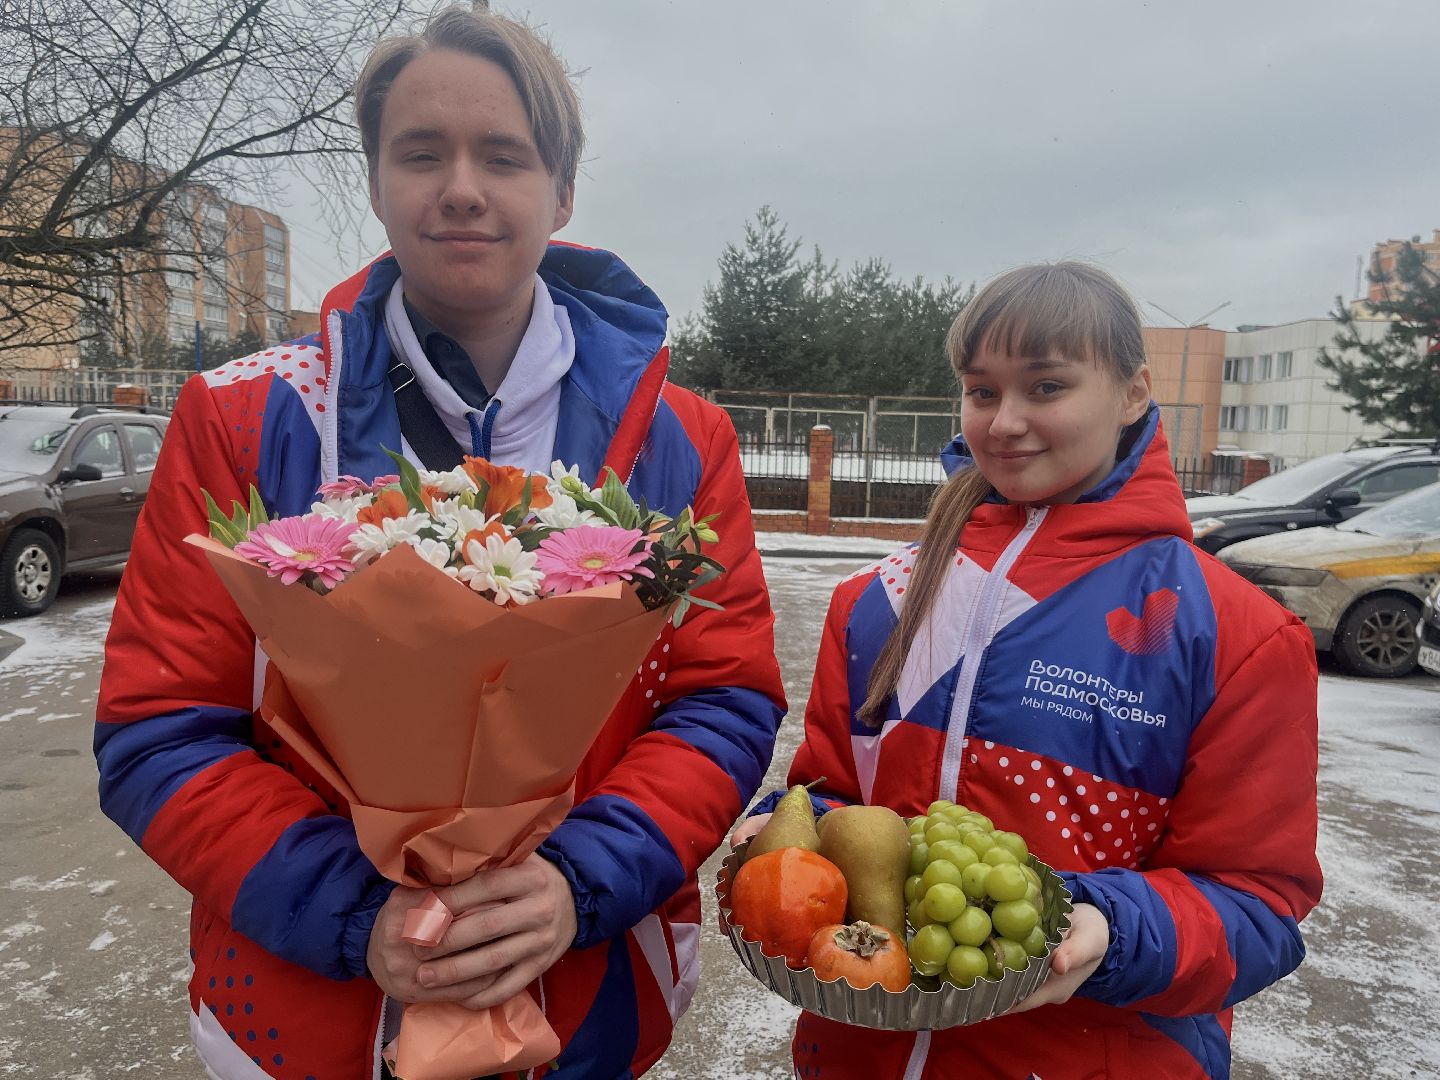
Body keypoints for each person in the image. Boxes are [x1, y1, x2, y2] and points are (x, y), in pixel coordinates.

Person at [94, 8, 784, 1079]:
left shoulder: (685, 442)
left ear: (560, 193)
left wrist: (577, 880)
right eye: (422, 153)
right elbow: (158, 729)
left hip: (587, 999)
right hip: (306, 1012)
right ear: (374, 183)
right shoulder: (242, 419)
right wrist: (358, 913)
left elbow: (723, 703)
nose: (461, 186)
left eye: (504, 155)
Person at [736, 262, 1321, 1079]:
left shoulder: (1237, 634)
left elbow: (1260, 906)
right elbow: (835, 795)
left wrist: (1110, 928)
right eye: (981, 391)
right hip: (858, 1052)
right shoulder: (879, 599)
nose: (1005, 421)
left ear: (1132, 392)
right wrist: (783, 833)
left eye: (1046, 387)